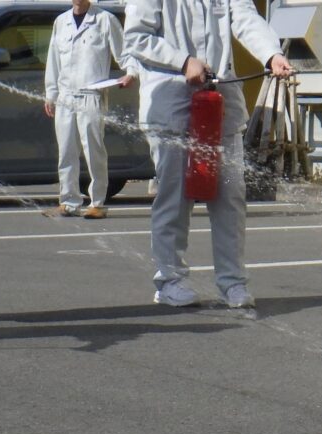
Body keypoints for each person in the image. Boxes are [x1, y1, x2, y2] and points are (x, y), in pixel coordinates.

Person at [123, 0, 293, 308]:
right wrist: (183, 61)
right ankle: (170, 281)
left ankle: (233, 282)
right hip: (171, 103)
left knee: (230, 196)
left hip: (219, 104)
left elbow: (245, 17)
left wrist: (271, 54)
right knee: (174, 195)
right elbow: (136, 37)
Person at [44, 0, 136, 220]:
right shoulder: (61, 22)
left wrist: (131, 73)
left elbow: (124, 53)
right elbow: (53, 60)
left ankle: (97, 202)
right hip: (66, 96)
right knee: (66, 151)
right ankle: (69, 201)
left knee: (93, 149)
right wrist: (51, 93)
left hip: (91, 94)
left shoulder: (105, 20)